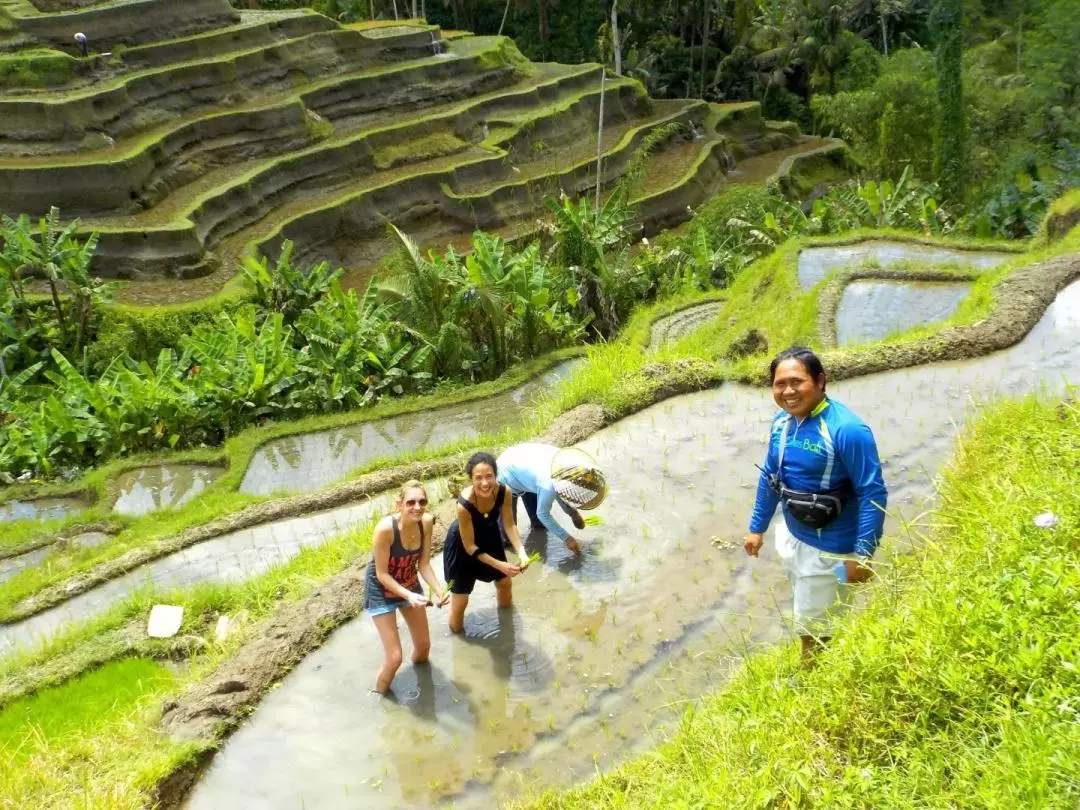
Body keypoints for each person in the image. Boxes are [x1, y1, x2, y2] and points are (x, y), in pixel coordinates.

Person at [743, 346, 888, 665]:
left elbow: (872, 493)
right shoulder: (782, 423)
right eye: (780, 384)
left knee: (815, 624)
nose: (788, 391)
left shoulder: (847, 430)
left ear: (820, 381)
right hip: (793, 536)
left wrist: (862, 555)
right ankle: (823, 657)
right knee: (810, 608)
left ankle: (811, 675)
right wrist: (757, 528)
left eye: (797, 382)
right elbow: (770, 476)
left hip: (831, 550)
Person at [365, 480, 449, 694]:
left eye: (422, 502)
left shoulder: (426, 523)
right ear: (399, 504)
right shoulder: (385, 530)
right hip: (382, 589)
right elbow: (381, 574)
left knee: (423, 646)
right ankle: (380, 696)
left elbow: (423, 564)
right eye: (411, 502)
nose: (417, 507)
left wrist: (439, 591)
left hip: (409, 583)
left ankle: (423, 684)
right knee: (394, 658)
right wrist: (408, 595)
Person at [444, 452, 529, 633]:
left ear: (495, 475)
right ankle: (457, 636)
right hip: (462, 544)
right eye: (478, 478)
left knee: (505, 583)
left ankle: (507, 628)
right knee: (461, 599)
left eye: (489, 476)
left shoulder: (503, 492)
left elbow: (509, 524)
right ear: (471, 479)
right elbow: (470, 547)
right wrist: (500, 564)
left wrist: (521, 552)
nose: (485, 483)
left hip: (489, 534)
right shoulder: (464, 504)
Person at [496, 443, 608, 556]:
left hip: (527, 469)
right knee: (508, 532)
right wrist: (567, 539)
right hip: (506, 472)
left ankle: (538, 534)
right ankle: (506, 551)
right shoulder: (547, 483)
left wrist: (572, 513)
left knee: (539, 524)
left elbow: (560, 489)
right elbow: (543, 514)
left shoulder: (565, 463)